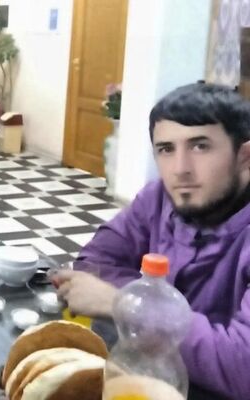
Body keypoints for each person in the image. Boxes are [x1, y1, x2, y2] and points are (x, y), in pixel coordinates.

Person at [55, 83, 250, 400]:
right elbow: (95, 263)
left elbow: (242, 366)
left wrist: (124, 306)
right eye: (166, 149)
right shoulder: (159, 197)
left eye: (200, 146)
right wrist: (181, 327)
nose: (180, 170)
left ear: (244, 156)